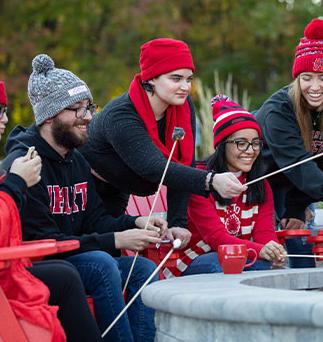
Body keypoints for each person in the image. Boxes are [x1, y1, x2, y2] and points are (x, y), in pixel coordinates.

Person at [0, 38, 107, 342]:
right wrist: (17, 183)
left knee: (66, 273)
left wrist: (9, 184)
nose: (5, 119)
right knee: (67, 276)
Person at [0, 54, 166, 342]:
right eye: (77, 109)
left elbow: (95, 219)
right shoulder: (26, 163)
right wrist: (116, 241)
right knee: (102, 262)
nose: (87, 117)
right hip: (41, 267)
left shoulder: (77, 160)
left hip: (79, 258)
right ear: (48, 116)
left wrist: (135, 221)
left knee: (142, 269)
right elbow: (42, 243)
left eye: (88, 108)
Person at [80, 38, 246, 247]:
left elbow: (183, 161)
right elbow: (153, 167)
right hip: (86, 186)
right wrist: (212, 181)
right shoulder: (120, 115)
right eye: (176, 78)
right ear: (151, 79)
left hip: (117, 189)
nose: (185, 87)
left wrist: (177, 221)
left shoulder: (182, 106)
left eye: (189, 79)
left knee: (113, 257)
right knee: (96, 252)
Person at [254, 19, 323, 268]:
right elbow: (296, 162)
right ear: (297, 77)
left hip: (301, 181)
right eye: (307, 77)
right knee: (268, 258)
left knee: (302, 248)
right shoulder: (278, 109)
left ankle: (307, 298)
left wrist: (297, 207)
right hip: (260, 180)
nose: (315, 87)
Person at [162, 95, 286, 276]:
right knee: (225, 266)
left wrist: (270, 248)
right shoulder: (200, 181)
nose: (250, 151)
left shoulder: (260, 184)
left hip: (240, 257)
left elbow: (264, 231)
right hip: (193, 258)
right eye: (241, 143)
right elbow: (216, 239)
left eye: (255, 143)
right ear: (221, 145)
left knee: (270, 270)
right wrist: (259, 251)